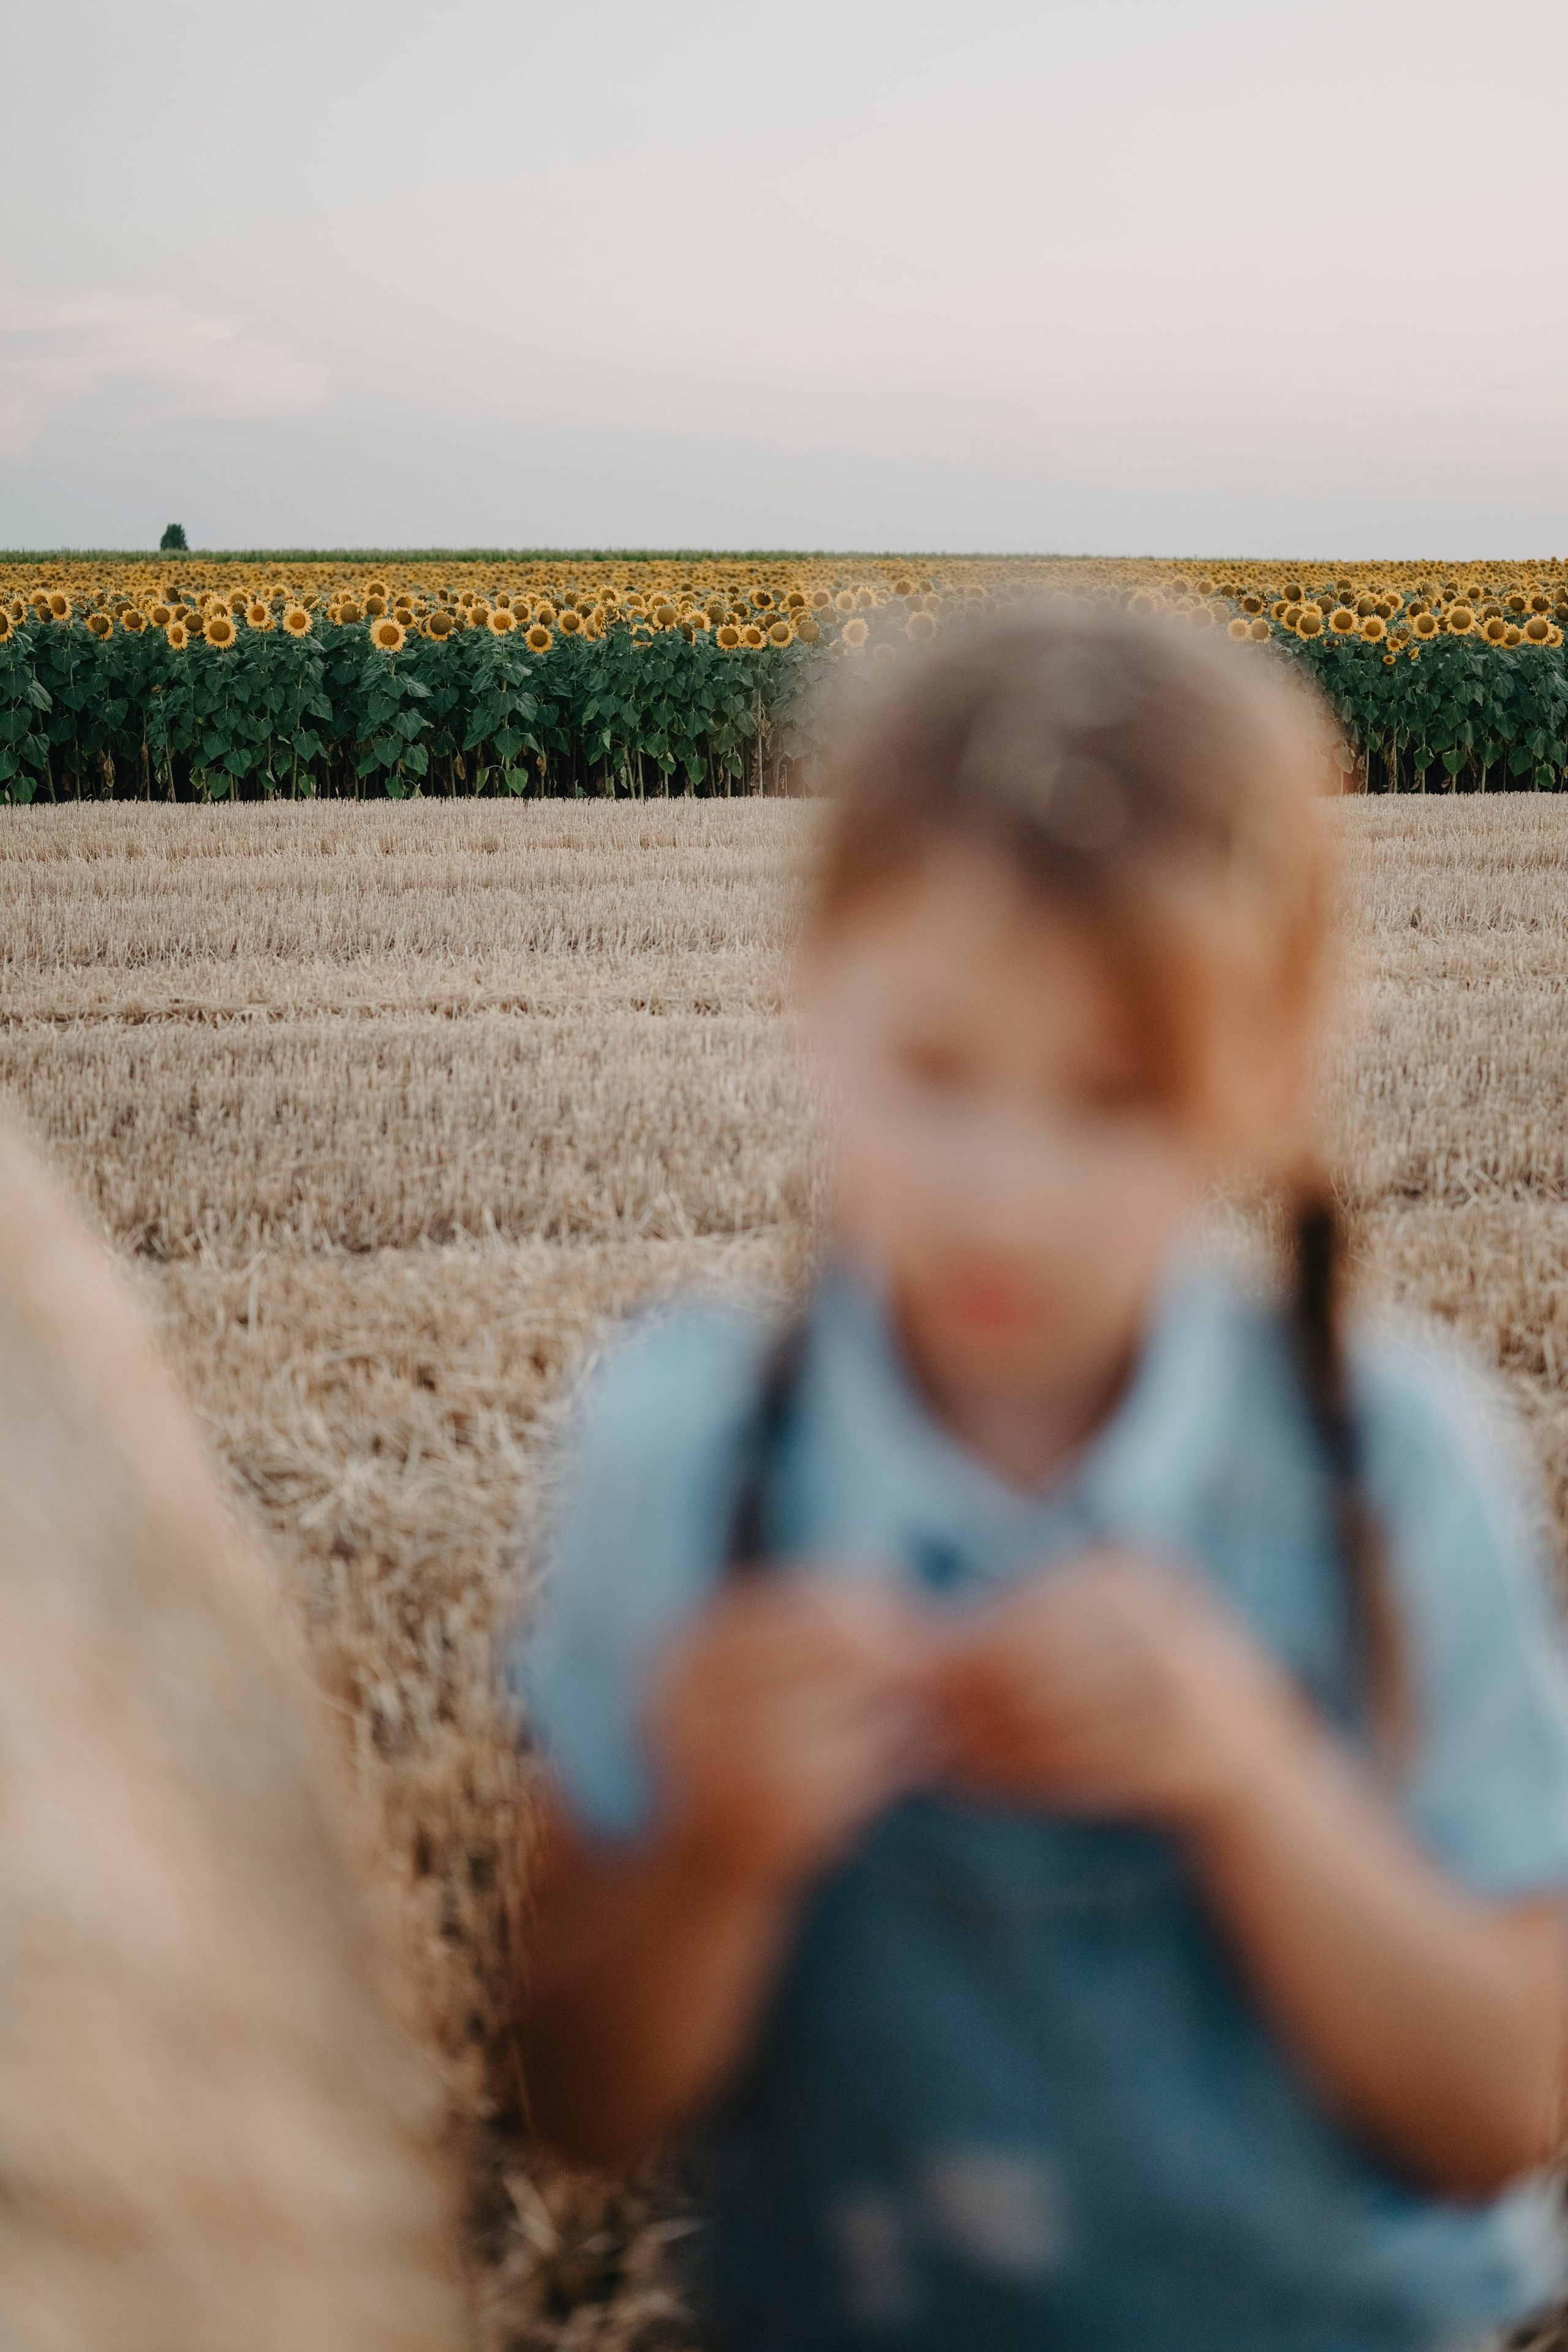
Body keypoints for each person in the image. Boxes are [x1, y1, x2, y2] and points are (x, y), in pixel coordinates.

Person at [512, 612, 1568, 2351]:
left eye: (1110, 1100)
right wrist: (711, 1850)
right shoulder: (689, 1452)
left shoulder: (1390, 1465)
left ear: (1265, 1077)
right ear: (809, 1001)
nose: (1006, 1192)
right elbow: (574, 2092)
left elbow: (1502, 2104)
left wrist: (1248, 1769)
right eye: (938, 1072)